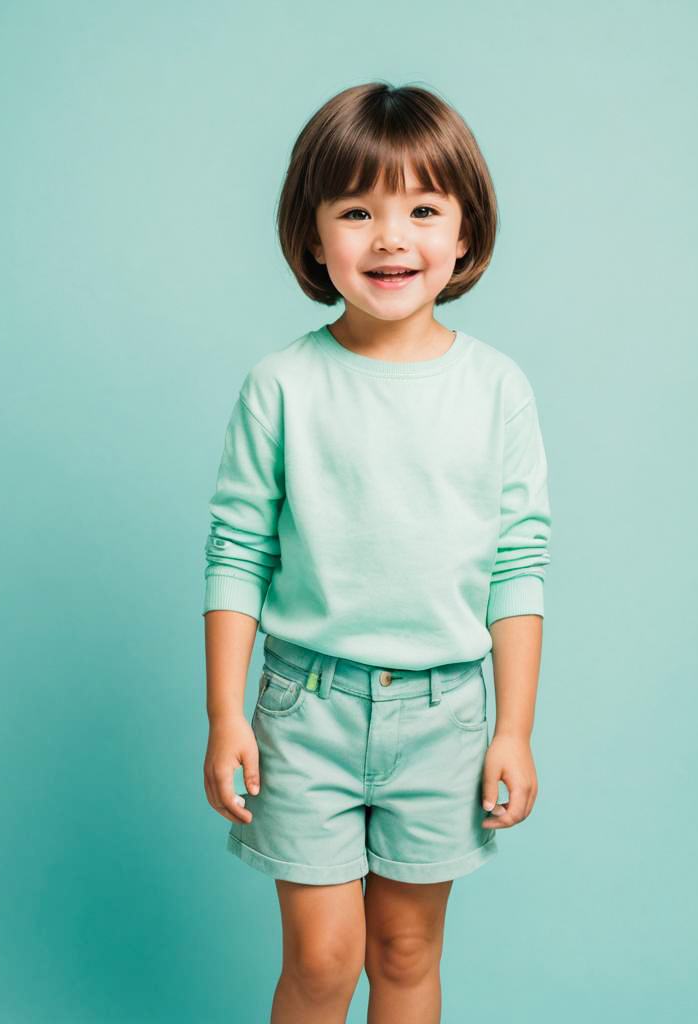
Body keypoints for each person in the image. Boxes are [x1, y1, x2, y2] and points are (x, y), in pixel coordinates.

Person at [202, 80, 552, 1024]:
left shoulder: (496, 389)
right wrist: (224, 716)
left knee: (404, 950)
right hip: (305, 708)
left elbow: (518, 565)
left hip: (443, 714)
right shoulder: (281, 386)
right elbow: (237, 553)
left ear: (465, 235)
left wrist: (511, 729)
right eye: (358, 210)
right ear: (313, 237)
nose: (391, 237)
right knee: (323, 963)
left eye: (422, 210)